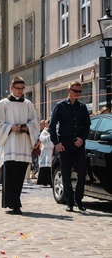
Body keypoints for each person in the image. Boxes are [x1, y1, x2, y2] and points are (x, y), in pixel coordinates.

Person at [0, 76, 39, 215]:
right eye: (17, 88)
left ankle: (16, 202)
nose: (20, 91)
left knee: (20, 176)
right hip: (9, 145)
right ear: (11, 88)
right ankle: (12, 203)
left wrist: (26, 127)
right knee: (10, 175)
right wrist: (10, 128)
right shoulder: (3, 104)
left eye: (22, 88)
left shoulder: (28, 104)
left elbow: (35, 123)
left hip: (23, 144)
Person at [49, 81, 91, 212]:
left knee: (81, 173)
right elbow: (52, 126)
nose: (77, 94)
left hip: (78, 144)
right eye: (75, 91)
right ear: (69, 90)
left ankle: (79, 200)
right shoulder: (60, 106)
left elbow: (87, 125)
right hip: (64, 144)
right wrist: (56, 143)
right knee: (66, 174)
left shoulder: (82, 107)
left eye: (80, 91)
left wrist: (82, 138)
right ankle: (69, 202)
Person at [37, 119, 53, 186]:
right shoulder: (44, 131)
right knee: (44, 165)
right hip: (45, 150)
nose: (46, 125)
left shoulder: (52, 130)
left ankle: (49, 181)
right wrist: (49, 137)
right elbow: (41, 138)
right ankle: (43, 181)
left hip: (51, 150)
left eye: (47, 123)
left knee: (49, 166)